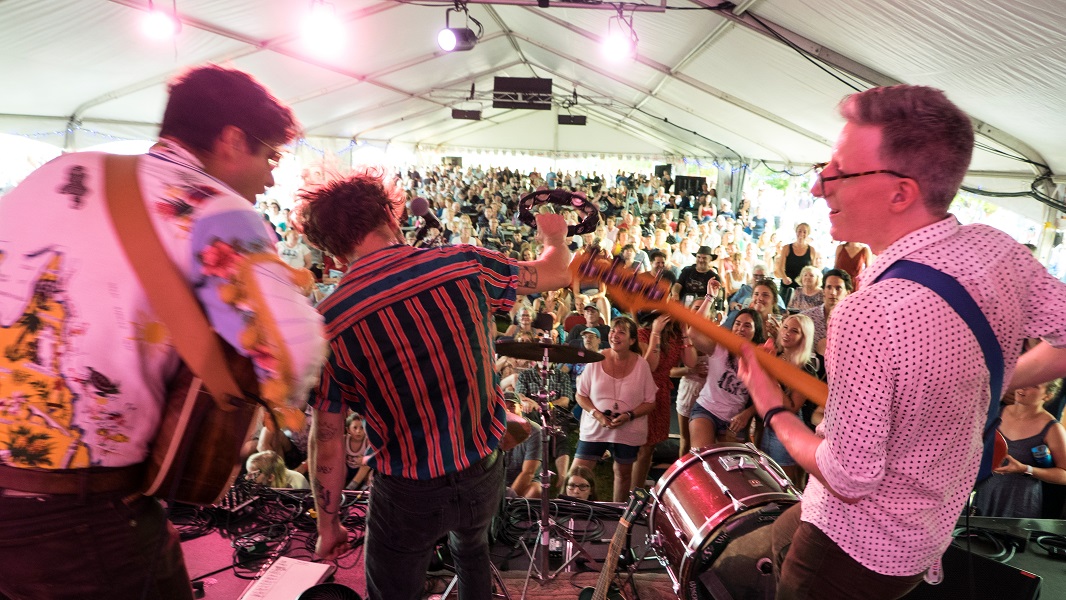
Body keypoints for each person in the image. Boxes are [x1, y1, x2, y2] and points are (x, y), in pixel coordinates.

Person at [0, 65, 327, 600]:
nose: (271, 177)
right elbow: (291, 354)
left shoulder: (58, 172)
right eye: (270, 155)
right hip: (74, 510)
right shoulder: (211, 208)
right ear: (231, 138)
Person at [735, 84, 1066, 600]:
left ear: (900, 192)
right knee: (768, 542)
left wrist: (772, 407)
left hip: (856, 546)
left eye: (840, 170)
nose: (822, 185)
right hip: (927, 530)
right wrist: (993, 378)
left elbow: (849, 477)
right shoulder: (997, 251)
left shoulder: (869, 311)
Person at [300, 169, 571, 600]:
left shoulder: (328, 323)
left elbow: (328, 436)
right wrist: (554, 235)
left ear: (329, 250)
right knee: (472, 549)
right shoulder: (462, 263)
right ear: (391, 217)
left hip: (407, 490)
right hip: (482, 466)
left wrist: (328, 525)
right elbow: (556, 273)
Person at [572, 316, 658, 502]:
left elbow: (651, 402)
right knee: (577, 474)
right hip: (595, 427)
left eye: (621, 332)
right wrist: (597, 415)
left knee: (623, 474)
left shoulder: (641, 365)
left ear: (632, 340)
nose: (615, 335)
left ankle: (616, 514)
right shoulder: (596, 359)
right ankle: (574, 512)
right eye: (612, 331)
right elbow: (580, 395)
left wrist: (629, 415)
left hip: (629, 429)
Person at [975, 380, 1066, 518]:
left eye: (1034, 385)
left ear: (1048, 396)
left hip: (1020, 501)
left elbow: (1064, 474)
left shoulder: (1053, 428)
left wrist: (1026, 469)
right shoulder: (994, 413)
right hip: (984, 493)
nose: (1023, 386)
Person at [689, 308, 766, 450]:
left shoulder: (760, 359)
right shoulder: (720, 348)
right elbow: (693, 333)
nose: (740, 328)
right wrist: (709, 298)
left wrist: (747, 414)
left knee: (734, 467)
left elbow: (766, 396)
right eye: (737, 324)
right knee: (704, 458)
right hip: (707, 410)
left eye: (747, 325)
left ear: (756, 331)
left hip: (735, 420)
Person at [800, 269, 853, 356]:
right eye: (829, 287)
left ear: (848, 293)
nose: (833, 292)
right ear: (823, 291)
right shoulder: (807, 317)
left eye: (838, 288)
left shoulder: (852, 322)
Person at [775, 222, 820, 305]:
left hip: (804, 287)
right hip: (788, 284)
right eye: (799, 231)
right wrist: (784, 277)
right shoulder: (787, 248)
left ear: (808, 234)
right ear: (796, 232)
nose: (801, 234)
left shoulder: (812, 250)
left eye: (804, 232)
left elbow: (813, 270)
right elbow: (780, 268)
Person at [246, 450, 310, 489]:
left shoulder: (294, 486)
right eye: (248, 473)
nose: (246, 478)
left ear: (270, 477)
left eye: (253, 475)